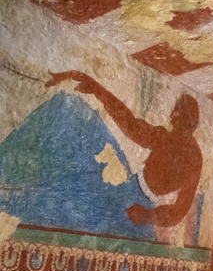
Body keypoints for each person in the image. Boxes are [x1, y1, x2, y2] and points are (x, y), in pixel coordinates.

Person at [46, 70, 201, 230]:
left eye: (175, 114)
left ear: (179, 118)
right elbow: (129, 123)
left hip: (136, 203)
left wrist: (147, 215)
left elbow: (178, 212)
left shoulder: (178, 148)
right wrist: (97, 89)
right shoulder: (176, 145)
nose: (170, 117)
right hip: (132, 191)